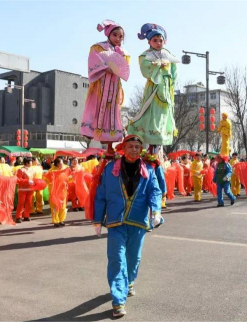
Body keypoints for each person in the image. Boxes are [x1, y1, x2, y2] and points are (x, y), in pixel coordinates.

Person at [93, 134, 162, 318]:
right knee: (116, 259)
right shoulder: (110, 170)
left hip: (138, 222)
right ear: (123, 148)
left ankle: (129, 281)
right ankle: (118, 301)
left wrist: (156, 211)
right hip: (116, 222)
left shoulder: (148, 170)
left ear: (141, 150)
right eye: (130, 146)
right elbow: (101, 194)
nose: (133, 150)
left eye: (137, 147)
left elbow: (155, 192)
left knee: (133, 259)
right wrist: (98, 220)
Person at [128, 23, 178, 147]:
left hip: (166, 89)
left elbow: (174, 72)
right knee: (151, 112)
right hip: (154, 87)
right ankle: (148, 139)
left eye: (161, 40)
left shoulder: (168, 54)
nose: (158, 43)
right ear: (149, 42)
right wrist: (156, 66)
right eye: (155, 40)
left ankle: (158, 145)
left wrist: (171, 84)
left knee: (164, 115)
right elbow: (145, 70)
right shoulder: (146, 55)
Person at [81, 20, 130, 143]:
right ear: (108, 34)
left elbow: (124, 68)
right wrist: (105, 67)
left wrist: (117, 69)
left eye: (121, 36)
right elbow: (93, 60)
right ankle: (90, 130)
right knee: (95, 105)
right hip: (101, 84)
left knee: (113, 108)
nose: (118, 38)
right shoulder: (98, 47)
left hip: (114, 85)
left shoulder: (123, 53)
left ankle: (111, 134)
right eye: (115, 35)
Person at [15, 157, 35, 223]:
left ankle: (26, 215)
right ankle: (18, 217)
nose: (32, 162)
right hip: (22, 188)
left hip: (30, 188)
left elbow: (34, 178)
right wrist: (27, 181)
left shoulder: (32, 170)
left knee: (29, 202)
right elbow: (18, 179)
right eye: (31, 161)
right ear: (27, 163)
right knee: (21, 203)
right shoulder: (21, 170)